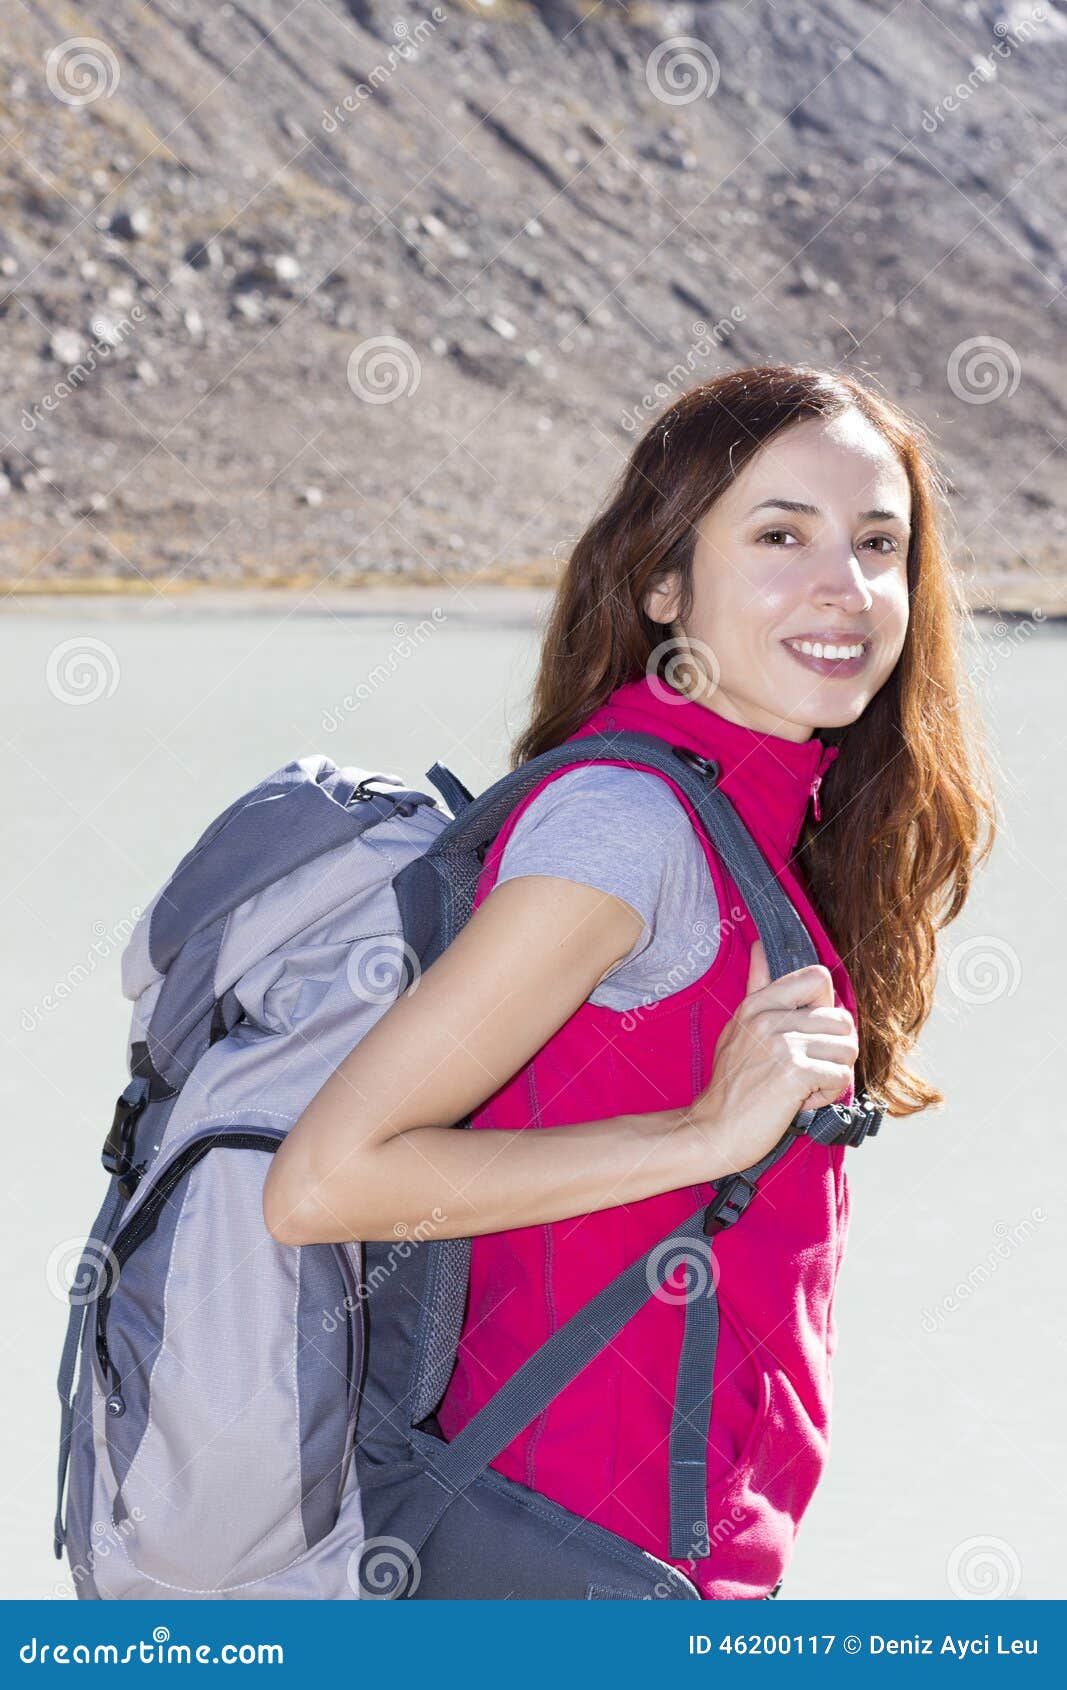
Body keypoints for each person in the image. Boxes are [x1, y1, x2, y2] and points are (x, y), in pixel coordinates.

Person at [263, 363, 996, 1598]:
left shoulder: (763, 825)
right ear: (662, 584)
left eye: (879, 543)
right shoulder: (624, 826)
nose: (848, 587)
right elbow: (327, 1179)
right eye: (780, 535)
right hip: (550, 1570)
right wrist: (703, 1132)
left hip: (667, 1574)